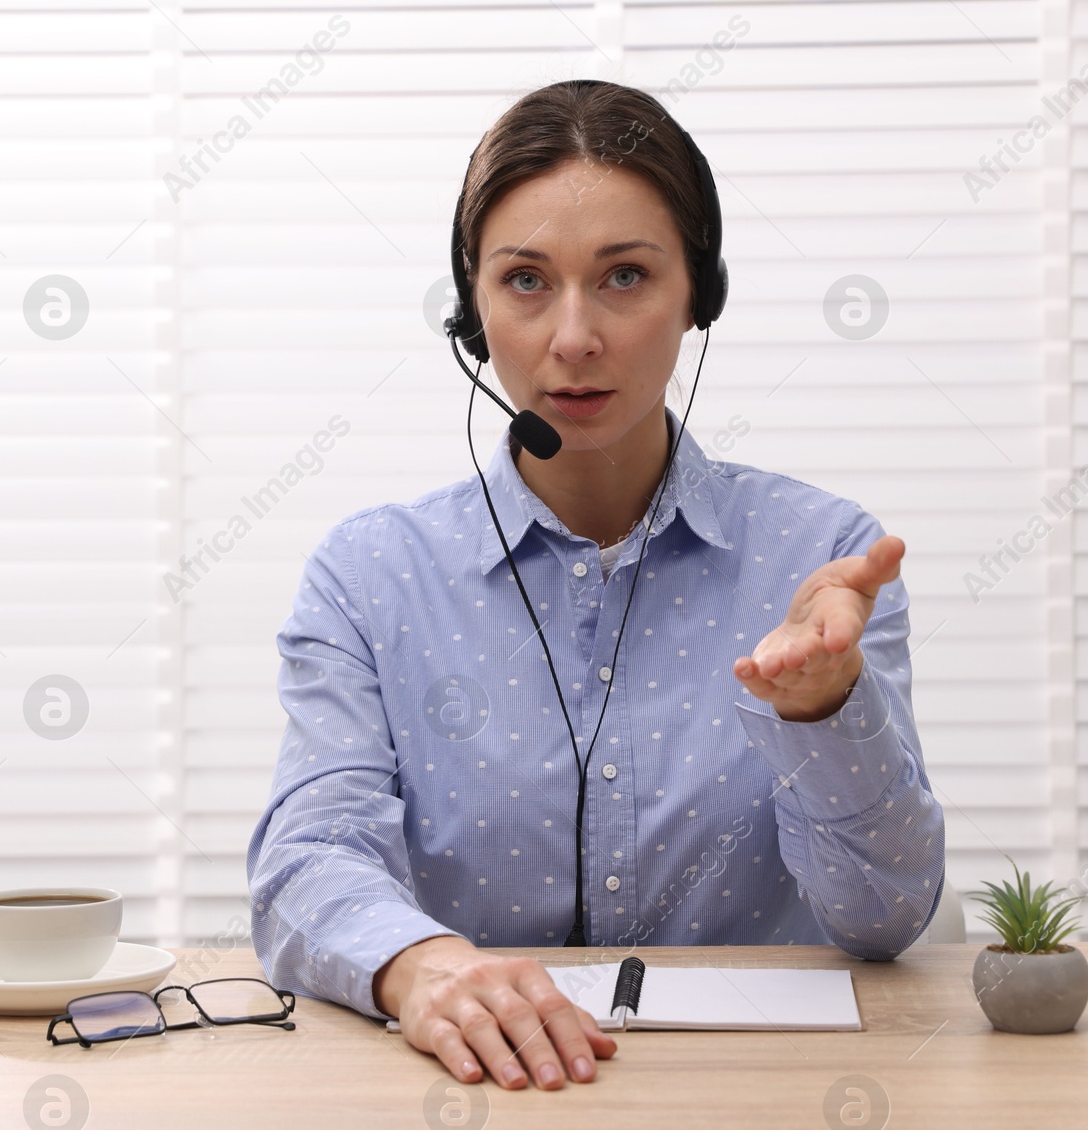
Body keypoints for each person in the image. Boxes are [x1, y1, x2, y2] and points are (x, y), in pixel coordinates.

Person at [246, 79, 945, 1092]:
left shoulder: (821, 555)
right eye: (526, 281)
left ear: (698, 295)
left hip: (764, 1100)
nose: (573, 337)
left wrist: (825, 713)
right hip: (475, 1091)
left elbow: (884, 920)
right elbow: (307, 859)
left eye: (623, 276)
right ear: (471, 312)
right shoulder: (370, 575)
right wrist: (419, 966)